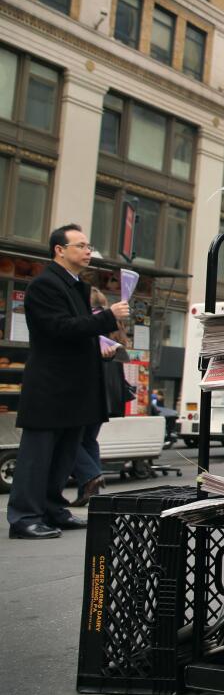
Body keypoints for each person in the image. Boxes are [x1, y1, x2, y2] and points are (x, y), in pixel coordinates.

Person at [8, 225, 128, 539]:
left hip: (74, 388)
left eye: (89, 246)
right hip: (50, 387)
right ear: (60, 250)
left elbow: (79, 329)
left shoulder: (76, 286)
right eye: (81, 245)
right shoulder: (45, 284)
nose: (88, 251)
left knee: (62, 457)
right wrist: (107, 317)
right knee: (37, 457)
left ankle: (53, 510)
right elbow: (59, 328)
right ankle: (24, 518)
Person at [69, 288, 130, 508]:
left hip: (93, 388)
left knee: (69, 438)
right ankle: (89, 490)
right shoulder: (110, 320)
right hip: (110, 392)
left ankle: (91, 476)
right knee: (88, 440)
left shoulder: (91, 322)